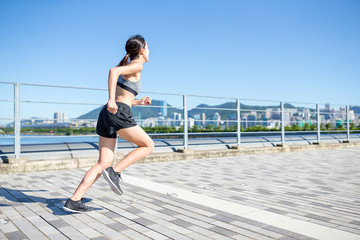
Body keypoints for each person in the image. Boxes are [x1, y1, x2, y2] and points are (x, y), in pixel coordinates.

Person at [63, 35, 154, 213]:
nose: (150, 51)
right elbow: (113, 71)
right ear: (142, 50)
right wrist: (111, 99)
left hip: (108, 113)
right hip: (117, 112)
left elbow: (124, 98)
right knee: (148, 145)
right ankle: (116, 171)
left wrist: (139, 102)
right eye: (149, 48)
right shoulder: (137, 65)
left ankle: (74, 200)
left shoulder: (129, 66)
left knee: (103, 163)